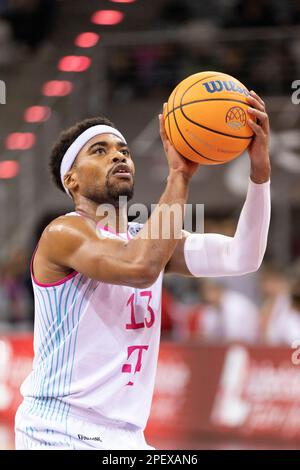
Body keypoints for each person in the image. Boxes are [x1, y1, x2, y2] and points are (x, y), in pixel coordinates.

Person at [15, 90, 271, 449]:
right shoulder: (64, 232)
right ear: (71, 179)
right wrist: (178, 176)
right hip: (60, 429)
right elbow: (139, 267)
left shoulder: (149, 238)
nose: (118, 154)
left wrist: (259, 174)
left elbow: (244, 256)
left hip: (127, 436)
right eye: (99, 150)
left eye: (123, 149)